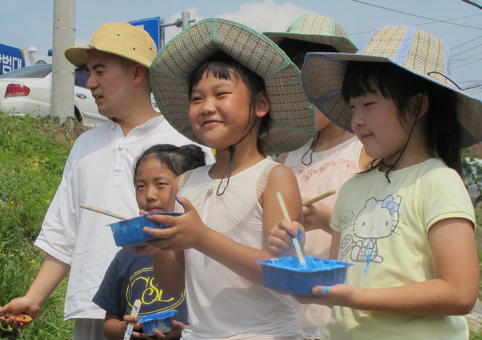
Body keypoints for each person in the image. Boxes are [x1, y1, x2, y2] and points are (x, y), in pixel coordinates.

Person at [269, 26, 482, 339]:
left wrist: (357, 298)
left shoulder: (438, 182)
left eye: (368, 104)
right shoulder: (354, 188)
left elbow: (460, 292)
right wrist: (300, 243)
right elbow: (352, 258)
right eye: (353, 106)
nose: (356, 119)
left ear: (417, 106)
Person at [0, 22, 212, 340]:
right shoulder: (85, 145)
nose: (91, 82)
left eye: (100, 71)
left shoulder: (186, 141)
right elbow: (64, 232)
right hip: (92, 313)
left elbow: (204, 232)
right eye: (88, 72)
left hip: (162, 317)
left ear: (138, 74)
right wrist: (34, 298)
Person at [137, 18, 316, 339]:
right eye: (196, 98)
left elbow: (285, 275)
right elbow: (172, 286)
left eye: (221, 94)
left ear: (261, 104)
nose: (207, 107)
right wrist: (160, 245)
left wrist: (201, 237)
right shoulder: (185, 182)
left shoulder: (274, 177)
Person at [264, 14, 371, 339]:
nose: (300, 104)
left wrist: (328, 220)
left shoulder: (364, 152)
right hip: (286, 305)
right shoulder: (286, 155)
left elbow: (380, 231)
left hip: (340, 307)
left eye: (310, 92)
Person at [93, 144, 207, 340]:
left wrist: (185, 332)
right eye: (141, 186)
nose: (149, 195)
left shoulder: (202, 252)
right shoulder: (129, 254)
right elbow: (110, 323)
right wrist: (124, 329)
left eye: (161, 184)